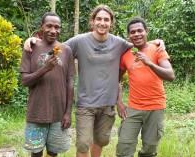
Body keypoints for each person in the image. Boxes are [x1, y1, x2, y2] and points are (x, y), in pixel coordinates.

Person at [24, 5, 165, 157]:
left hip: (107, 105)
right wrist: (34, 40)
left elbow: (140, 43)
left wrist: (156, 41)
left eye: (106, 19)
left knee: (102, 140)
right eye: (98, 19)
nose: (102, 23)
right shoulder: (80, 41)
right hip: (85, 104)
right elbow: (56, 47)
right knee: (84, 143)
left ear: (111, 22)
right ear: (92, 21)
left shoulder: (119, 43)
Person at [116, 17, 175, 157]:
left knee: (149, 149)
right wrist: (118, 102)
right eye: (132, 32)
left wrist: (150, 63)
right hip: (133, 108)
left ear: (146, 31)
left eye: (140, 30)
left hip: (155, 107)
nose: (136, 34)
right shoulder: (125, 54)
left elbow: (170, 75)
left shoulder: (157, 49)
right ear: (129, 36)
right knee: (124, 148)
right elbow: (115, 80)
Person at [19, 12, 75, 157]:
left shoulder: (66, 50)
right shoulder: (31, 48)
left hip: (59, 112)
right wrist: (45, 68)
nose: (53, 30)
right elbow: (25, 81)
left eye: (57, 27)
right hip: (37, 111)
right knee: (36, 152)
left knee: (53, 152)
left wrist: (68, 112)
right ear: (41, 27)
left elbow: (70, 81)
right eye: (49, 26)